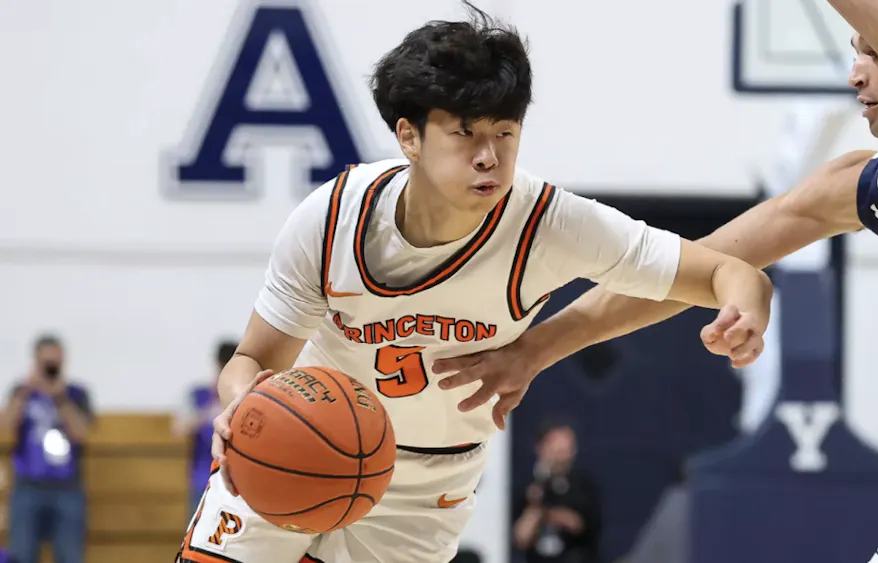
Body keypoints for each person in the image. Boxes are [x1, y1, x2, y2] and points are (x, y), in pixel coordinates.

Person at [176, 3, 774, 562]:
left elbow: (729, 270)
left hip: (427, 483)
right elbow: (252, 360)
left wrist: (744, 308)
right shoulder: (331, 219)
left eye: (505, 132)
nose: (490, 155)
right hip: (294, 447)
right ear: (408, 135)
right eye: (466, 132)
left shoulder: (549, 224)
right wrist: (238, 407)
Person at [433, 0, 878, 561]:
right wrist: (534, 350)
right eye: (856, 53)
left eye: (875, 52)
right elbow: (679, 269)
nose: (855, 73)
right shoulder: (863, 186)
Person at [1, 335, 93, 563]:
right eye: (46, 364)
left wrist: (59, 397)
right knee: (22, 555)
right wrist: (24, 391)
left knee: (70, 555)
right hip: (27, 487)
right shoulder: (21, 392)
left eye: (55, 363)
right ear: (36, 362)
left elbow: (81, 433)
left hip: (68, 488)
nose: (51, 369)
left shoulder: (76, 394)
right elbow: (6, 428)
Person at [513, 418, 601, 563]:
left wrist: (547, 515)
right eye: (556, 451)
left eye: (566, 451)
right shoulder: (526, 488)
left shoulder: (583, 486)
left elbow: (577, 524)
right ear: (541, 448)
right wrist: (536, 503)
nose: (562, 457)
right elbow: (521, 536)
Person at [172, 340, 237, 517]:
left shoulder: (243, 396)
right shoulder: (198, 395)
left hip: (236, 481)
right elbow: (179, 429)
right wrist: (209, 412)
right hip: (203, 480)